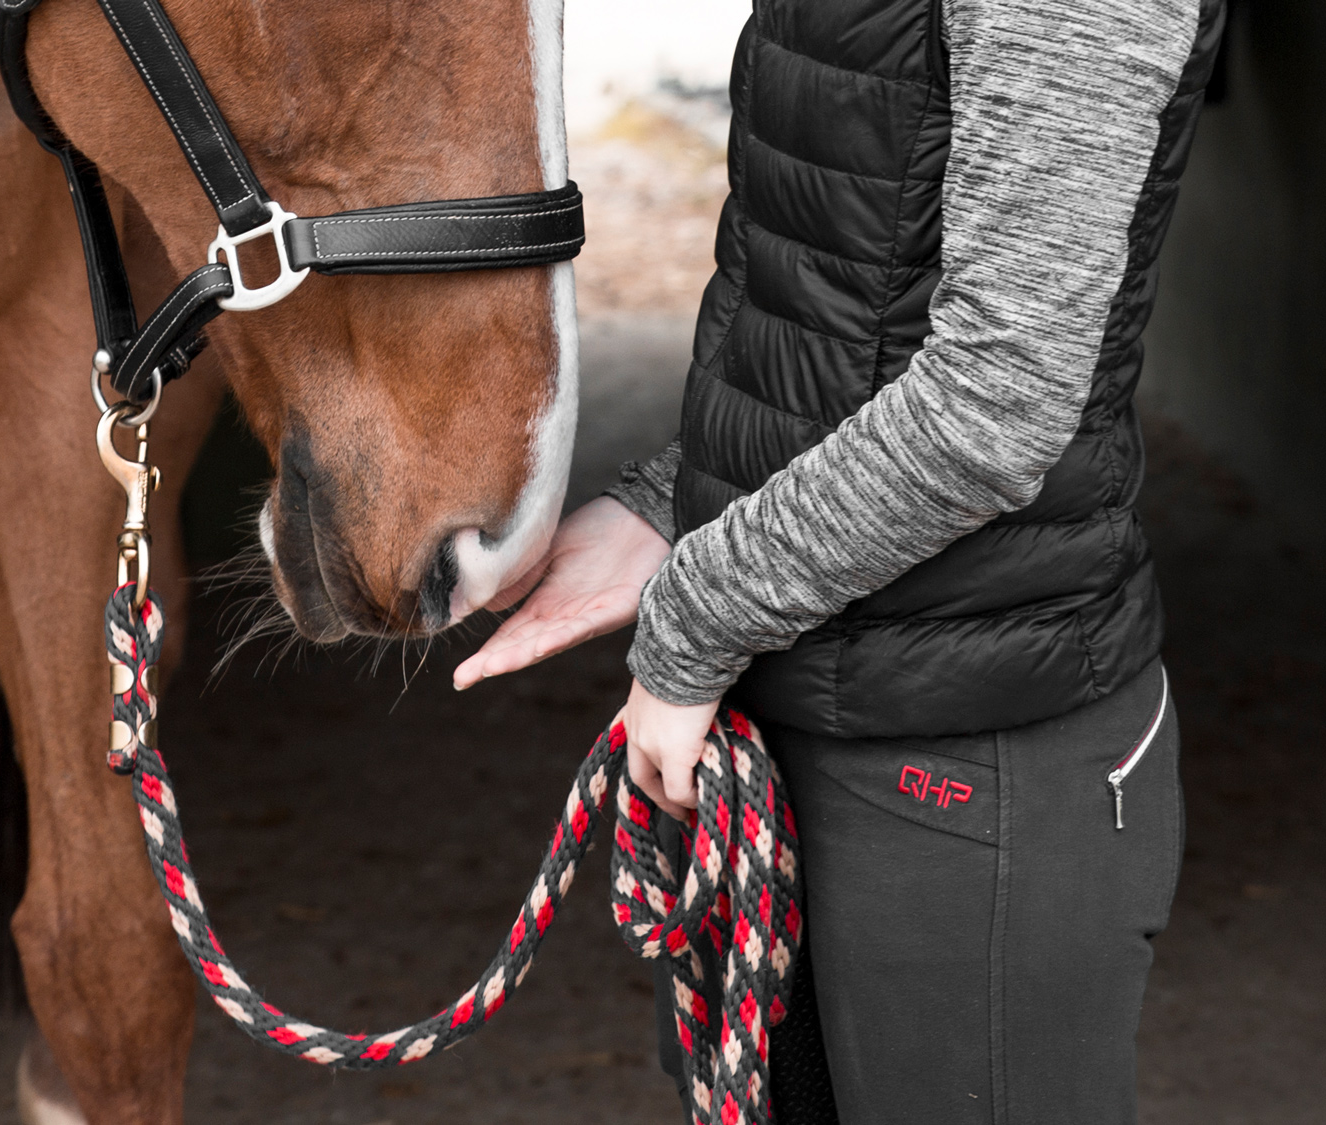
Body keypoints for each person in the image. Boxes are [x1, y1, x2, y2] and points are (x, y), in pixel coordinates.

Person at [455, 0, 1224, 1119]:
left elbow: (994, 405)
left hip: (966, 751)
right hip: (791, 713)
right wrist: (684, 500)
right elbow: (835, 281)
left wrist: (695, 621)